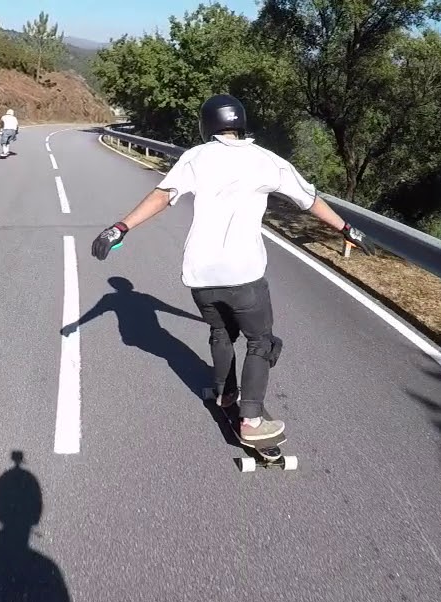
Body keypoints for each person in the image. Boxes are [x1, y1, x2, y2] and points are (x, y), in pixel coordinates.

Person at [89, 93, 372, 443]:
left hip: (200, 275)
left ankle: (225, 394)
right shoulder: (268, 161)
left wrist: (120, 228)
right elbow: (309, 200)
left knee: (221, 333)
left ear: (207, 123)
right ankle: (251, 420)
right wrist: (347, 229)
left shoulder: (196, 157)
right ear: (241, 122)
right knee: (261, 341)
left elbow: (163, 195)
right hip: (243, 274)